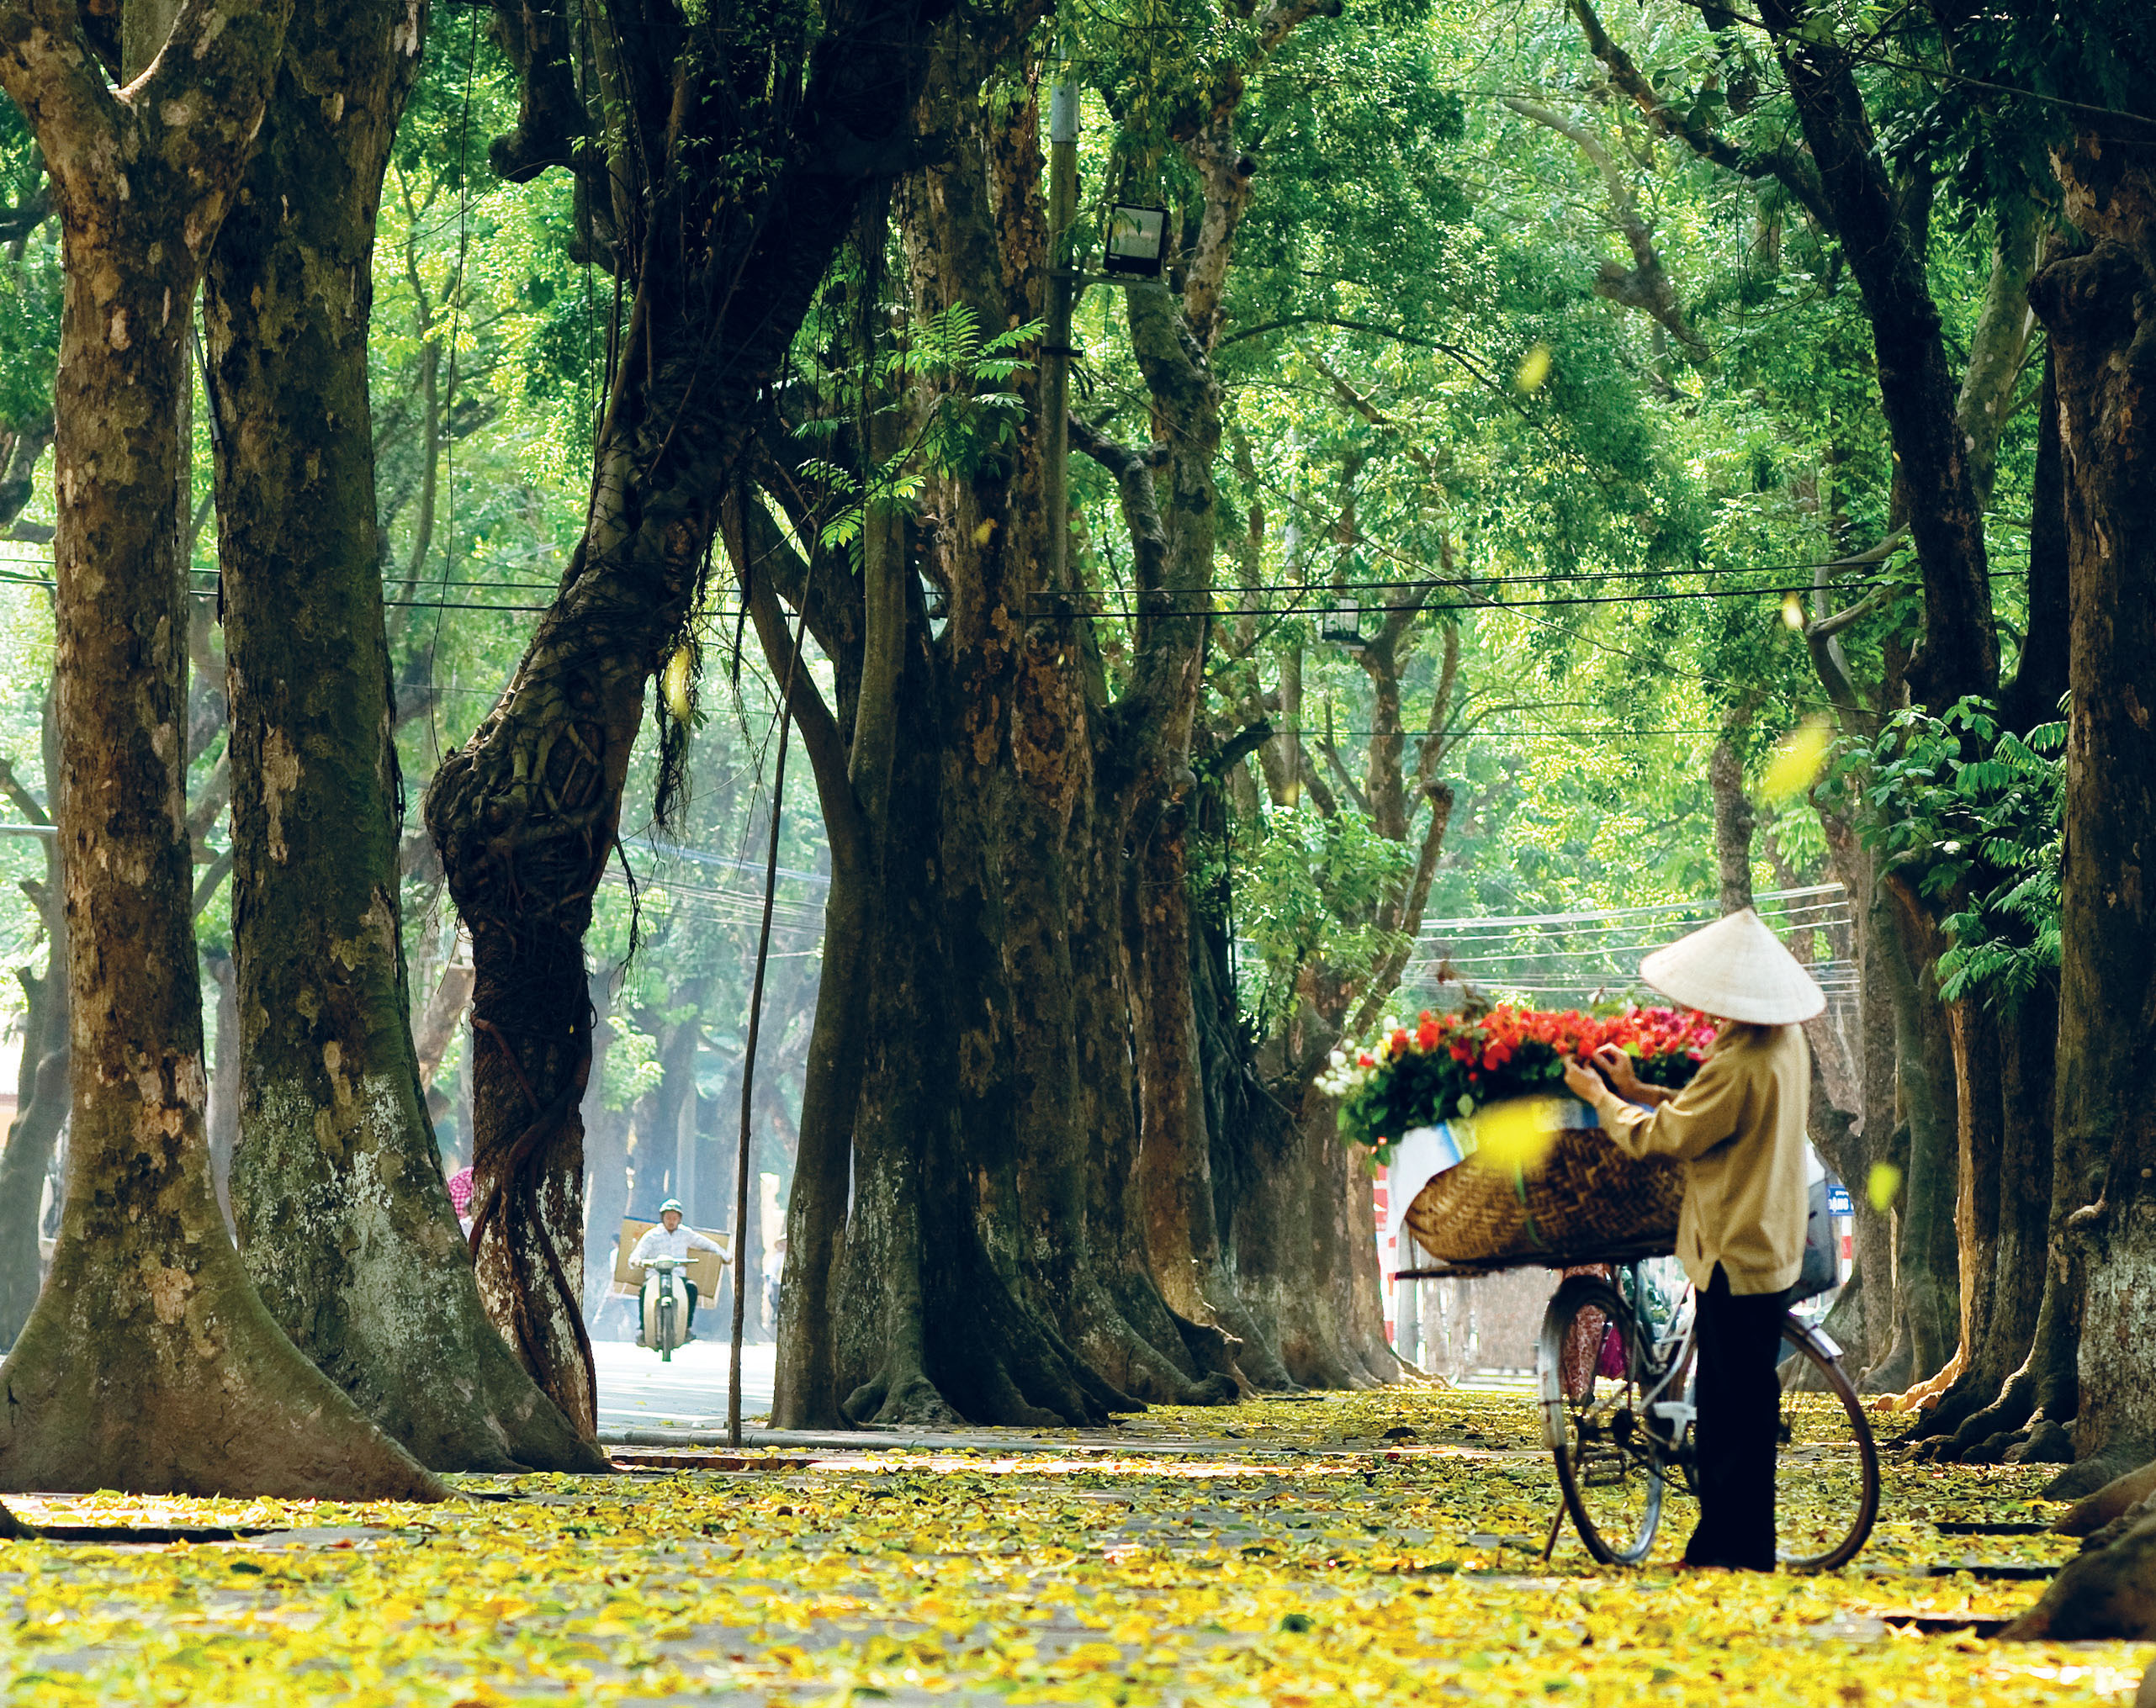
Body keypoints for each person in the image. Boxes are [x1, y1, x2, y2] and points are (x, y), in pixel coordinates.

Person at [1559, 907, 1821, 1573]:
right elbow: (1710, 1108)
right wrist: (1639, 1086)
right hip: (1772, 1242)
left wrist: (1601, 1098)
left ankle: (1725, 1552)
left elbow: (1665, 1137)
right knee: (1748, 1405)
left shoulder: (1741, 1059)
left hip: (1733, 1246)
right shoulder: (1781, 1043)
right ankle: (1742, 1546)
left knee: (1728, 1409)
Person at [628, 1199, 727, 1344]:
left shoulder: (686, 1234)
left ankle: (686, 1328)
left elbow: (706, 1243)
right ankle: (643, 1330)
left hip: (678, 1277)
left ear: (680, 1219)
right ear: (662, 1218)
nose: (671, 1221)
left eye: (675, 1218)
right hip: (655, 1276)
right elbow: (638, 1253)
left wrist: (724, 1255)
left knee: (691, 1288)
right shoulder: (652, 1236)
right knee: (644, 1291)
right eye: (668, 1217)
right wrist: (636, 1260)